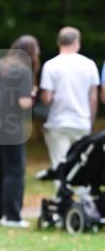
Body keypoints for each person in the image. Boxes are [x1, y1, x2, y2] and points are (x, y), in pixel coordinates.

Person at [0, 35, 39, 229]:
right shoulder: (23, 70)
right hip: (11, 125)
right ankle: (13, 217)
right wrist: (33, 94)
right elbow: (24, 103)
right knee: (14, 170)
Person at [39, 27, 100, 170]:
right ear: (76, 42)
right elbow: (93, 98)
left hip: (58, 122)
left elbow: (46, 98)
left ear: (59, 42)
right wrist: (90, 120)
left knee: (59, 165)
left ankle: (61, 191)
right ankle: (83, 191)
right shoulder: (89, 64)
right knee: (81, 165)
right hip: (81, 122)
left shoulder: (50, 65)